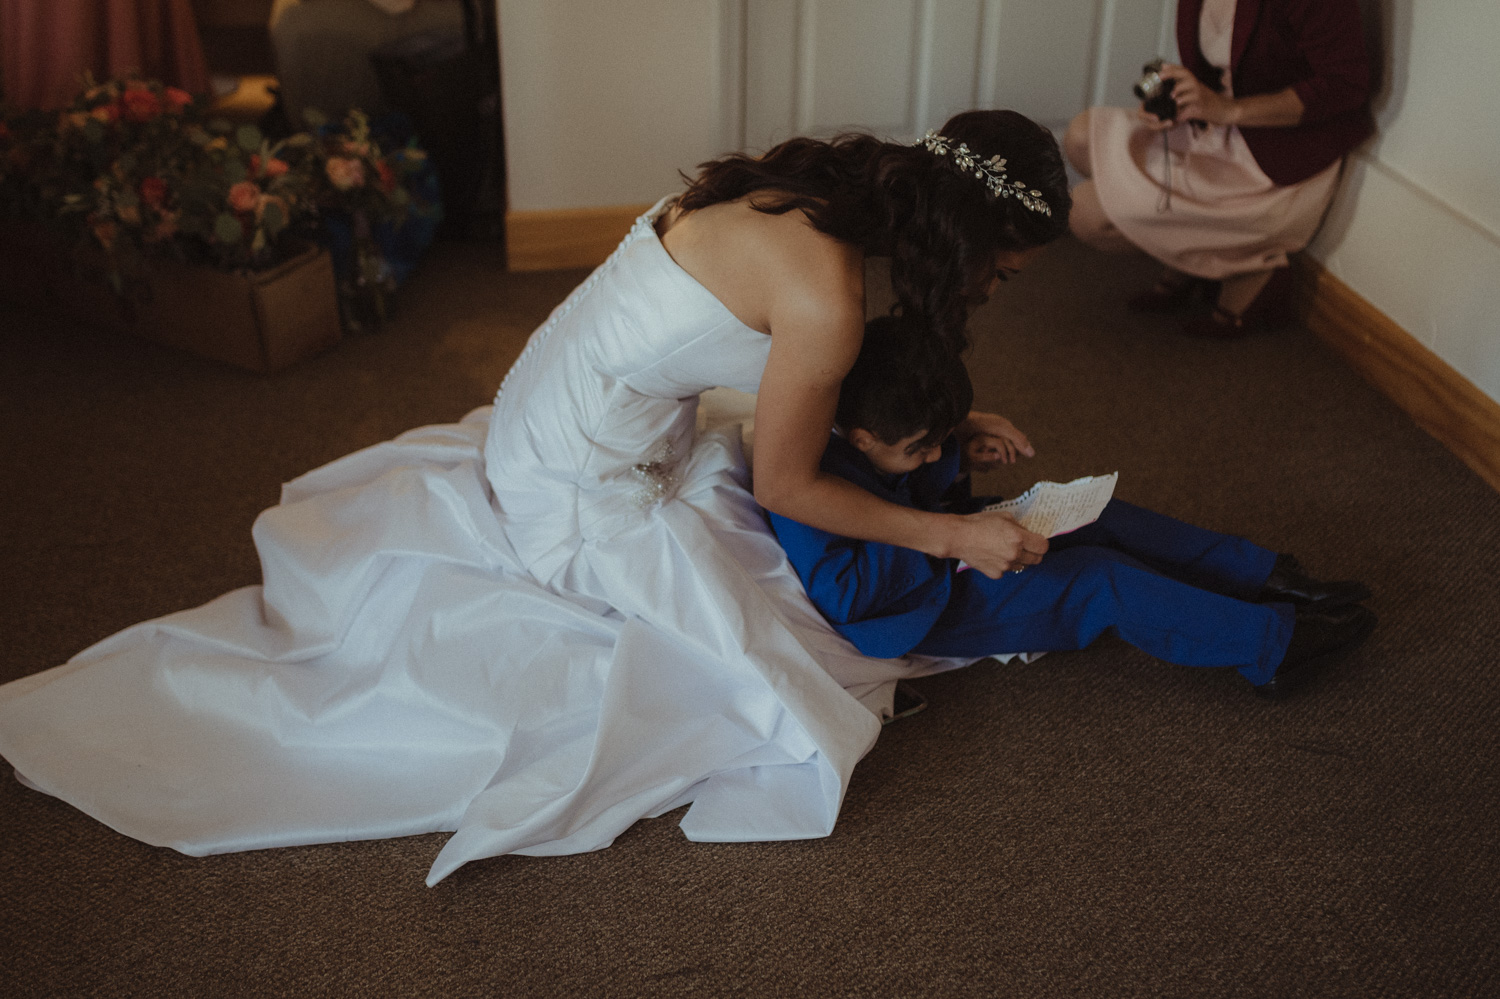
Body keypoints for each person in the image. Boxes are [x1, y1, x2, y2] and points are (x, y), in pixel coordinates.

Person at [0, 110, 1074, 885]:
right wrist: (949, 529)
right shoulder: (829, 294)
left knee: (763, 547)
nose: (992, 291)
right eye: (1004, 272)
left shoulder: (812, 193)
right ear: (966, 242)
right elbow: (790, 477)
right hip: (582, 479)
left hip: (549, 408)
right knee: (762, 642)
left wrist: (928, 429)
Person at [768, 315, 1377, 696]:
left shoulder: (884, 437)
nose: (934, 456)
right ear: (864, 439)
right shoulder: (806, 479)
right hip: (920, 605)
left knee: (1098, 516)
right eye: (919, 449)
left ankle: (1262, 574)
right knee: (1097, 580)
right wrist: (948, 531)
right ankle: (1268, 647)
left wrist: (955, 457)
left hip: (951, 546)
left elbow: (917, 483)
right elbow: (845, 594)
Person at [1064, 0, 1373, 337]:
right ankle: (1196, 255)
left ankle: (1251, 266)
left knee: (1086, 213)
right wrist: (1179, 101)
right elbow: (1224, 68)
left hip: (1276, 159)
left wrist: (1228, 110)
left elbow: (1346, 85)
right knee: (1081, 136)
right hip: (1215, 129)